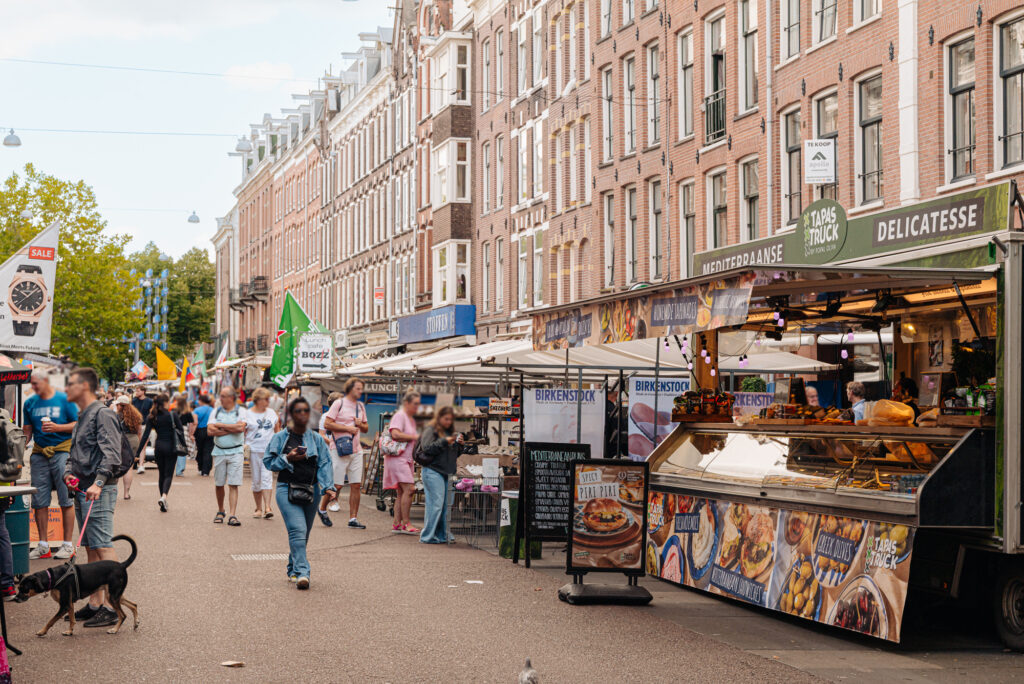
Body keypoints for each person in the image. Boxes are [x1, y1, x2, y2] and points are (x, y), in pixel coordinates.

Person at [62, 367, 123, 628]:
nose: (66, 389)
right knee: (89, 545)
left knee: (102, 544)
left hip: (98, 490)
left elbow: (112, 453)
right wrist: (67, 472)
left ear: (84, 386)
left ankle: (112, 606)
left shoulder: (102, 413)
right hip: (82, 488)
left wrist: (98, 482)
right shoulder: (83, 415)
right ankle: (96, 603)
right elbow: (74, 453)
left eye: (70, 384)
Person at [263, 397, 335, 589]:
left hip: (312, 491)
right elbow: (268, 463)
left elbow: (325, 463)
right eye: (298, 411)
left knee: (303, 534)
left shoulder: (317, 439)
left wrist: (328, 486)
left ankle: (292, 568)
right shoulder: (280, 438)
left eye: (305, 411)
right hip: (287, 489)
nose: (302, 414)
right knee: (297, 529)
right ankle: (303, 572)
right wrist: (288, 457)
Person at [23, 372, 78, 560]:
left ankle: (68, 544)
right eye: (32, 384)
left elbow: (78, 424)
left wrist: (58, 428)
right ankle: (43, 545)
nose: (35, 387)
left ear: (46, 381)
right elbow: (27, 431)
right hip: (39, 453)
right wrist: (20, 445)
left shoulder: (64, 399)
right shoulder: (29, 403)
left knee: (66, 498)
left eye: (37, 384)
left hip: (63, 451)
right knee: (39, 501)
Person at [321, 378, 369, 529]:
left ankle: (353, 519)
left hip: (356, 450)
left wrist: (360, 424)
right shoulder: (338, 404)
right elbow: (327, 424)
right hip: (339, 449)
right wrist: (347, 428)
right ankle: (322, 509)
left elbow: (366, 428)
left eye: (361, 389)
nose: (360, 392)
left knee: (356, 485)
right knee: (337, 485)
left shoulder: (360, 406)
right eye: (357, 388)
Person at [417, 406, 462, 545]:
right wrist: (444, 441)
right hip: (433, 471)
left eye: (450, 419)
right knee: (436, 504)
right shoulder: (430, 430)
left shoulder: (451, 432)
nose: (448, 422)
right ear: (439, 418)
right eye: (446, 419)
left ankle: (443, 535)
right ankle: (427, 536)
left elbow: (454, 454)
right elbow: (427, 448)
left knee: (446, 505)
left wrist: (460, 445)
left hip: (448, 472)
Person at [136, 394, 185, 512]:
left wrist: (137, 453)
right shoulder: (172, 415)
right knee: (168, 474)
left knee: (161, 474)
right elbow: (181, 431)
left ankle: (162, 499)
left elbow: (145, 436)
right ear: (165, 403)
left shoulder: (152, 416)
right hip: (171, 447)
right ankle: (164, 497)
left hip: (158, 447)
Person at [207, 387, 246, 526]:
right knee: (219, 484)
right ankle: (220, 509)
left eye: (223, 396)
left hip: (236, 452)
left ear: (231, 398)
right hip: (219, 451)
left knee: (233, 484)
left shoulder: (241, 411)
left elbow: (241, 428)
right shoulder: (215, 411)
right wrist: (231, 429)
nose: (220, 399)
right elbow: (210, 431)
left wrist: (221, 426)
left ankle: (233, 514)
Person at [386, 391, 421, 535]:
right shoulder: (400, 416)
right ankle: (406, 523)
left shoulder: (409, 418)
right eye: (415, 404)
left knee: (401, 491)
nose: (417, 406)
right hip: (398, 458)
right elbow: (395, 434)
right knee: (409, 489)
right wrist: (414, 436)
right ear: (407, 403)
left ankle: (396, 523)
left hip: (404, 459)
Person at [244, 387, 278, 519]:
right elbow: (243, 431)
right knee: (257, 480)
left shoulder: (271, 412)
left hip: (268, 451)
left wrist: (277, 447)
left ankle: (268, 507)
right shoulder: (247, 414)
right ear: (257, 400)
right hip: (253, 450)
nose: (268, 401)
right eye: (266, 399)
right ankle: (258, 508)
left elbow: (277, 429)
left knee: (267, 478)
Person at [113, 396, 143, 500]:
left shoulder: (116, 416)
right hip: (134, 440)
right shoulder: (136, 415)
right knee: (129, 467)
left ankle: (113, 493)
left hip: (121, 440)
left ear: (119, 405)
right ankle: (126, 493)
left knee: (117, 465)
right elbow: (139, 432)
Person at [172, 394, 196, 476]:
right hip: (184, 431)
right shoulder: (188, 412)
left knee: (174, 449)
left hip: (175, 430)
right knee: (182, 449)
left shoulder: (174, 411)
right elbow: (192, 424)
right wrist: (191, 434)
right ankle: (180, 470)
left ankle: (172, 468)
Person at [194, 394, 214, 476]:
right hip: (211, 430)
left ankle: (200, 467)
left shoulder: (197, 410)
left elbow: (195, 422)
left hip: (199, 431)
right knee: (208, 450)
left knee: (200, 449)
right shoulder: (213, 410)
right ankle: (206, 470)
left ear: (201, 401)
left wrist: (191, 433)